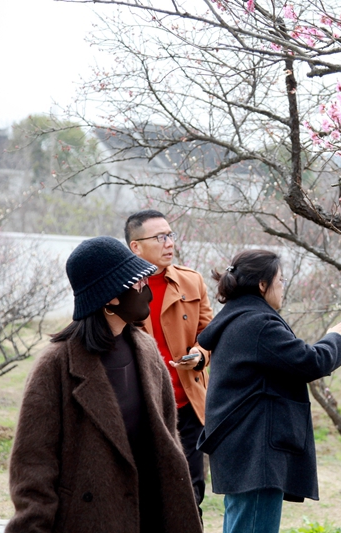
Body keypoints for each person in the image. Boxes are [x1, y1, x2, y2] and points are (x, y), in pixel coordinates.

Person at [6, 236, 203, 533]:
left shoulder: (147, 351)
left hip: (152, 515)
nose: (145, 289)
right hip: (89, 521)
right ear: (110, 296)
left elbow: (168, 441)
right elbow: (33, 465)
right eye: (136, 281)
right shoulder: (56, 364)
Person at [196, 249, 341, 533]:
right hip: (255, 453)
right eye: (280, 280)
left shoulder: (237, 318)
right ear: (262, 285)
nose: (283, 288)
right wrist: (337, 340)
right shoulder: (257, 324)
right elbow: (309, 362)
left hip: (242, 450)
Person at [125, 209, 214, 517]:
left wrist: (200, 356)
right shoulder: (120, 289)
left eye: (170, 235)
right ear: (136, 246)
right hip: (140, 406)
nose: (169, 243)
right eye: (159, 237)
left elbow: (210, 334)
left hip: (187, 405)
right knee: (141, 493)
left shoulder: (192, 281)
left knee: (190, 494)